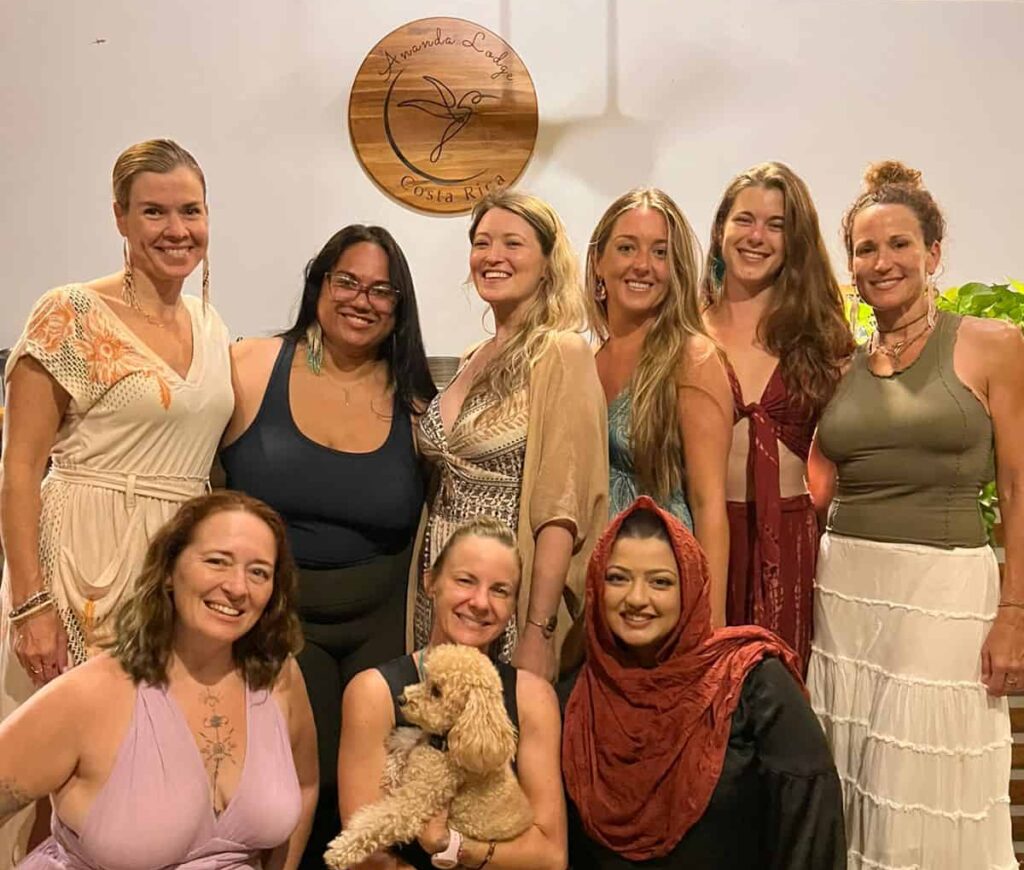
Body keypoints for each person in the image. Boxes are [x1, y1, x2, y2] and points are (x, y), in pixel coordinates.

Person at [0, 139, 233, 861]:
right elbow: (19, 467)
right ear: (121, 219)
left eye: (189, 210)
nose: (175, 229)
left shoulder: (212, 324)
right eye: (154, 211)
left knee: (140, 774)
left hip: (172, 571)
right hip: (84, 561)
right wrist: (32, 606)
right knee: (59, 764)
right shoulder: (69, 313)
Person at [808, 160, 1021, 868]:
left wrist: (1015, 613)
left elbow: (1020, 490)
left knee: (927, 774)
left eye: (900, 243)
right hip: (845, 591)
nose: (883, 260)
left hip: (946, 591)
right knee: (854, 773)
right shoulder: (842, 365)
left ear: (934, 253)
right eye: (866, 249)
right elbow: (812, 482)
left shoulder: (992, 345)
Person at [222, 224, 436, 868]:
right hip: (275, 621)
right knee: (287, 792)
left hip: (382, 629)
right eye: (346, 281)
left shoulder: (420, 402)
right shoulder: (250, 365)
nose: (361, 300)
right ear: (319, 283)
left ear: (399, 309)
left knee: (370, 808)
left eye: (381, 291)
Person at [0, 490, 318, 869]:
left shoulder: (279, 677)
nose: (237, 587)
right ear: (169, 570)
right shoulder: (89, 694)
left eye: (259, 573)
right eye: (217, 562)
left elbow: (305, 785)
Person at [561, 497, 845, 868]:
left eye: (660, 582)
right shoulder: (576, 700)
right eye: (617, 578)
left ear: (691, 588)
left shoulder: (753, 683)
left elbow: (811, 826)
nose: (636, 598)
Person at [409, 190, 608, 680]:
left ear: (546, 263)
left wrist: (538, 629)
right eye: (482, 243)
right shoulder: (475, 354)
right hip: (438, 590)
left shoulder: (562, 353)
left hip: (507, 599)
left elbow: (561, 508)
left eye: (512, 244)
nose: (493, 257)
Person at [340, 516, 566, 870]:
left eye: (500, 590)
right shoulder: (374, 692)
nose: (480, 602)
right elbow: (367, 855)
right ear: (431, 583)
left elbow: (551, 856)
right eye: (465, 581)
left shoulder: (532, 698)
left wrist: (454, 846)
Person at [701, 162, 853, 669]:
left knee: (784, 702)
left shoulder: (820, 335)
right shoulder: (684, 331)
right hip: (701, 532)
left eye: (776, 224)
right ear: (721, 228)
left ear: (795, 241)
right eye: (744, 219)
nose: (756, 236)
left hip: (790, 540)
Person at [586, 188, 732, 626]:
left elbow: (709, 504)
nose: (642, 265)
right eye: (626, 247)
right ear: (599, 262)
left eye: (660, 252)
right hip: (596, 591)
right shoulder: (586, 361)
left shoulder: (694, 359)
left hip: (663, 595)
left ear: (676, 269)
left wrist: (710, 626)